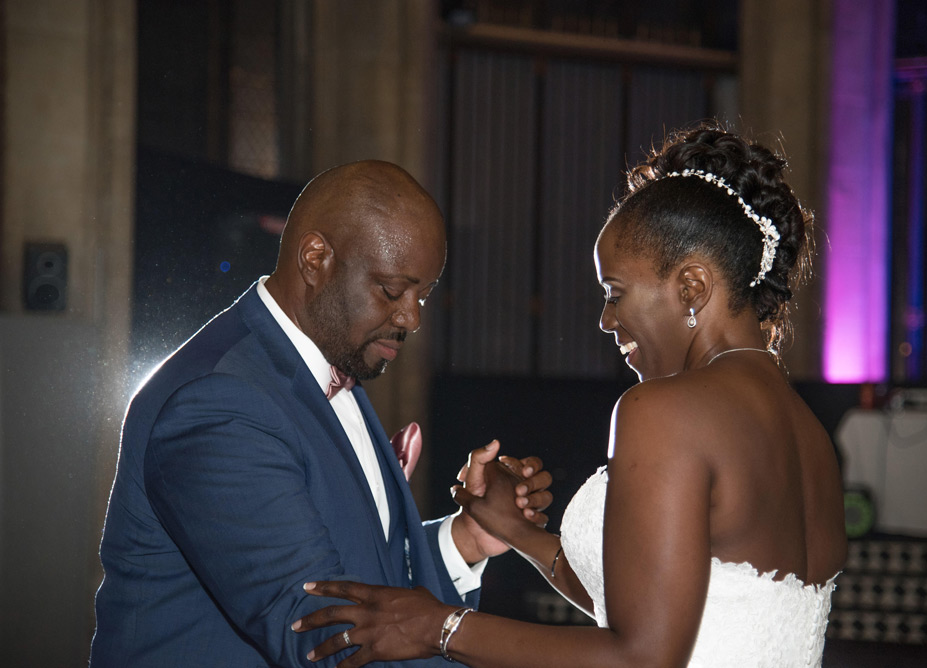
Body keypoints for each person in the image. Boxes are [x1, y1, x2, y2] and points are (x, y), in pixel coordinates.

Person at [292, 125, 848, 667]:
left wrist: (437, 626)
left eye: (615, 293)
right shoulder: (810, 434)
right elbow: (674, 614)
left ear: (692, 288)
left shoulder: (667, 411)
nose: (606, 320)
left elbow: (644, 657)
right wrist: (520, 534)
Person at [90, 160, 553, 667]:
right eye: (393, 290)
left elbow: (359, 576)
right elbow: (329, 640)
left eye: (424, 294)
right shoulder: (220, 404)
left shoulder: (329, 364)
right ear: (316, 259)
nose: (411, 317)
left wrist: (466, 539)